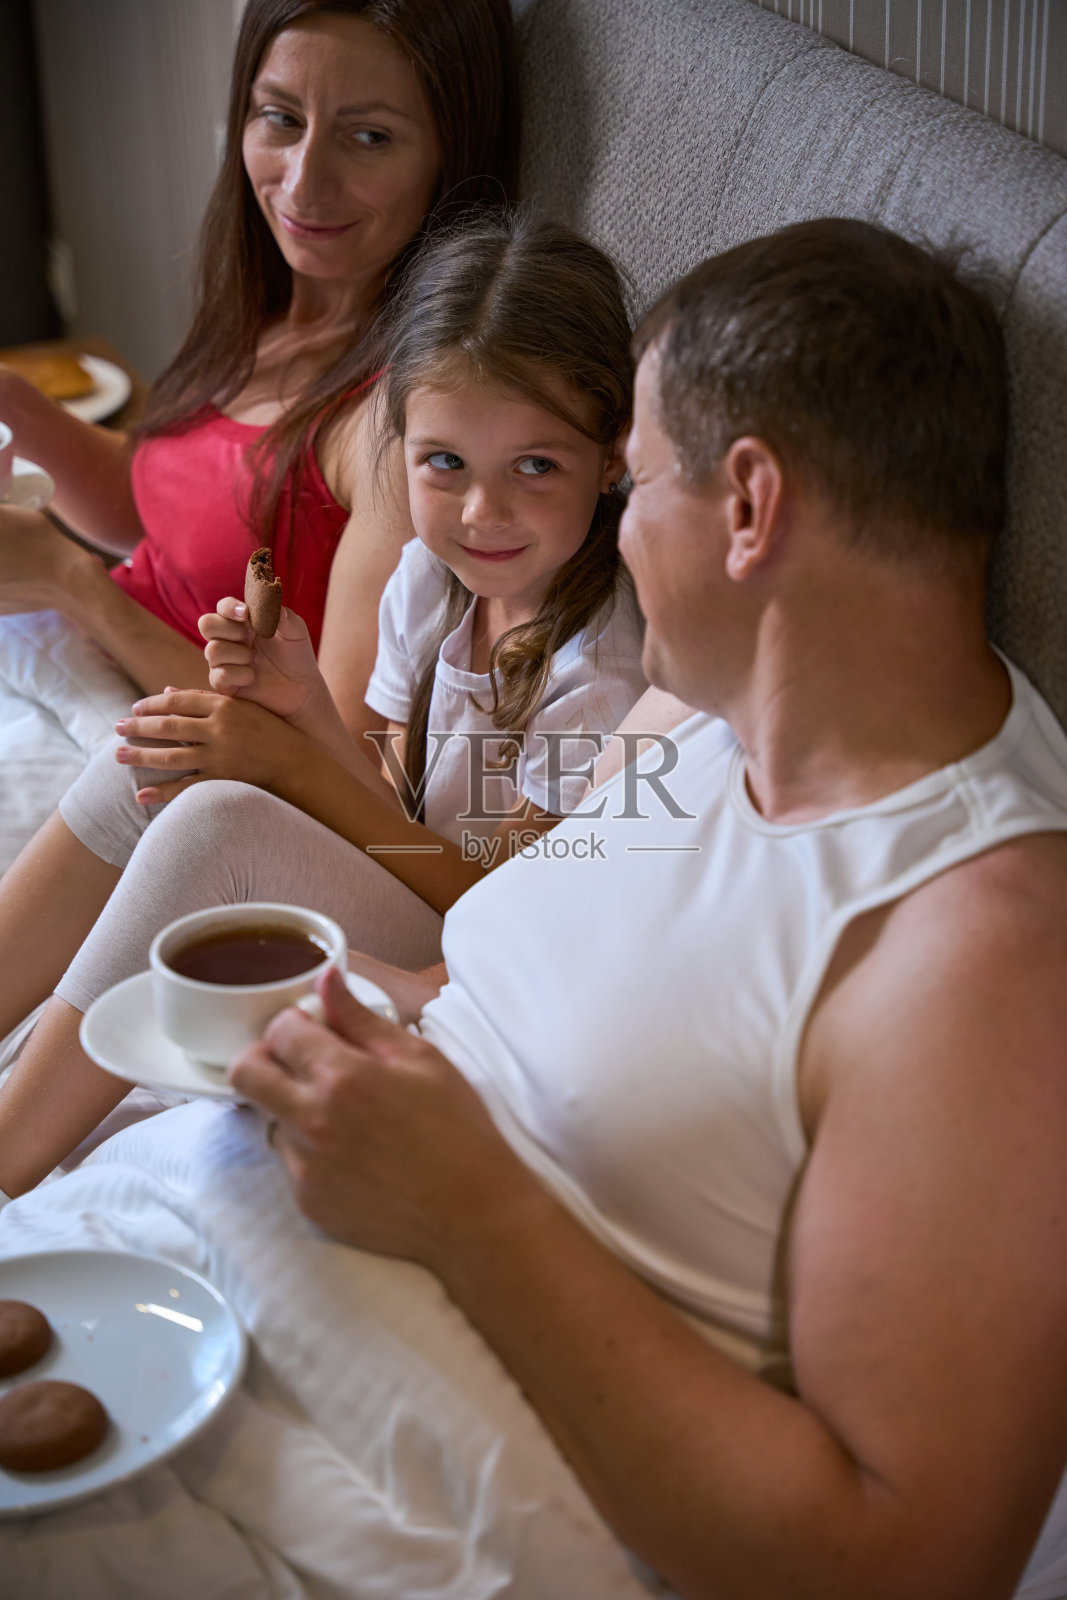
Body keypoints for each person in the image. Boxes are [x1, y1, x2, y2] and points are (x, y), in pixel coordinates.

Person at [4, 217, 1067, 1600]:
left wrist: (468, 1210)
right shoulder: (704, 712)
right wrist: (347, 1017)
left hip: (352, 1469)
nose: (611, 545)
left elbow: (906, 1564)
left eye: (632, 485)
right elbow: (511, 973)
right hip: (174, 1271)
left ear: (746, 509)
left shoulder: (973, 949)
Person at [0, 213, 647, 1196]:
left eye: (535, 465)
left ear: (610, 458)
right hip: (419, 895)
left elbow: (491, 906)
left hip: (480, 963)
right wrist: (299, 708)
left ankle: (9, 1151)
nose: (482, 512)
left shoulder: (594, 669)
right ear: (401, 449)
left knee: (216, 819)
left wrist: (290, 760)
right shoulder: (428, 580)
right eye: (444, 463)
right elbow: (380, 794)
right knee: (160, 748)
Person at [0, 0, 518, 832]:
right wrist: (12, 401)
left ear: (453, 154)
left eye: (370, 136)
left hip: (163, 770)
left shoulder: (406, 421)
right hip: (82, 677)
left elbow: (327, 766)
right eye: (279, 118)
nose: (303, 182)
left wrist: (73, 585)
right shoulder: (273, 306)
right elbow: (157, 509)